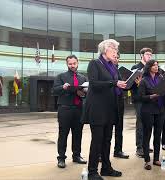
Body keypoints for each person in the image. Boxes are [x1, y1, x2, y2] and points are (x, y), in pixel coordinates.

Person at [84, 39, 126, 180]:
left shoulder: (113, 67)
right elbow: (94, 84)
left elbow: (119, 83)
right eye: (113, 49)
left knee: (107, 140)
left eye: (116, 50)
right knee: (97, 140)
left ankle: (106, 168)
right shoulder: (95, 63)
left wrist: (130, 82)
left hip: (110, 108)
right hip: (97, 109)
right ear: (104, 50)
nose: (115, 52)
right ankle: (92, 172)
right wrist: (114, 83)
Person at [53, 55, 88, 168]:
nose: (72, 65)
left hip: (79, 109)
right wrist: (63, 87)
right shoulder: (61, 76)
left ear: (78, 63)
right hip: (65, 109)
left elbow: (87, 92)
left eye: (74, 63)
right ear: (67, 64)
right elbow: (54, 90)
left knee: (78, 134)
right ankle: (61, 158)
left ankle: (76, 156)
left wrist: (84, 93)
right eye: (70, 64)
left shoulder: (83, 78)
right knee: (63, 134)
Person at [138, 60, 165, 170]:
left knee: (157, 135)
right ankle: (146, 160)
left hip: (160, 110)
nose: (156, 67)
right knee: (147, 135)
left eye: (157, 65)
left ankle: (156, 159)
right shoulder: (144, 81)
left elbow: (164, 92)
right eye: (153, 65)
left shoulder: (161, 79)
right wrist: (152, 96)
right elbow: (140, 97)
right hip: (148, 111)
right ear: (149, 67)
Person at [131, 48, 153, 158]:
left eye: (151, 54)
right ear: (141, 55)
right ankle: (139, 147)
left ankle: (146, 145)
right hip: (139, 99)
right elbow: (131, 84)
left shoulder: (151, 68)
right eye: (147, 54)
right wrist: (138, 83)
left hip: (149, 99)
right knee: (140, 123)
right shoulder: (136, 68)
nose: (150, 56)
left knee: (148, 123)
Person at [112, 52, 129, 159]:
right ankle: (100, 153)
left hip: (119, 101)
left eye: (118, 58)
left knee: (119, 127)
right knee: (106, 129)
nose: (116, 59)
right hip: (108, 101)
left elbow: (125, 87)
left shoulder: (121, 70)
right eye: (114, 57)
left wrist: (132, 82)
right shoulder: (105, 69)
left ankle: (118, 150)